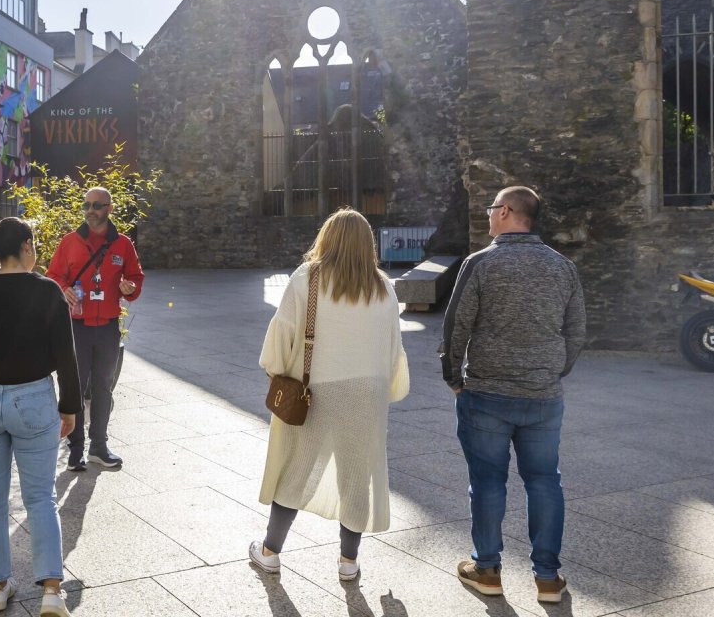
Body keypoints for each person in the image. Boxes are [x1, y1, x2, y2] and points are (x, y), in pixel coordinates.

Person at [440, 185, 585, 604]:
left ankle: (487, 569)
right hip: (543, 395)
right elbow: (576, 331)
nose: (487, 215)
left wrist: (454, 377)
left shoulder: (481, 263)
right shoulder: (563, 267)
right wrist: (554, 372)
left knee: (487, 482)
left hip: (486, 392)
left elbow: (456, 328)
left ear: (505, 212)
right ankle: (547, 579)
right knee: (544, 481)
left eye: (491, 209)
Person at [250, 209, 410, 581]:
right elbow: (393, 347)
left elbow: (283, 332)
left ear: (328, 236)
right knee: (357, 475)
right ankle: (348, 561)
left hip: (316, 389)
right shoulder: (383, 285)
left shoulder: (308, 277)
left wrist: (275, 367)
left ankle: (271, 551)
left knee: (297, 467)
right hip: (367, 392)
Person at [0, 217, 79, 616]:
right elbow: (65, 357)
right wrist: (70, 406)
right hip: (33, 400)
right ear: (26, 246)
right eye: (36, 242)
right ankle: (52, 591)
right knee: (41, 496)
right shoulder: (46, 292)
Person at [45, 187, 144, 471]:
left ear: (109, 209)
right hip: (76, 327)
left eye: (97, 205)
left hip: (108, 329)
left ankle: (99, 446)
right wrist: (63, 289)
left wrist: (130, 288)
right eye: (87, 204)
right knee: (74, 387)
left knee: (103, 387)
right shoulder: (69, 242)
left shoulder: (123, 244)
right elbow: (53, 275)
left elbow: (135, 276)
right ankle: (75, 449)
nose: (90, 209)